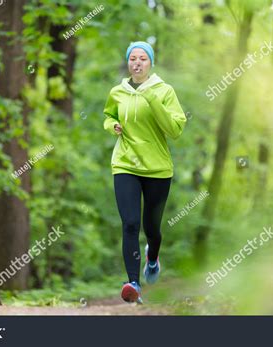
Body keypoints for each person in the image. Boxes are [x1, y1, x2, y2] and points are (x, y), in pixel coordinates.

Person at [103, 41, 187, 304]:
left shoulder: (164, 91)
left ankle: (152, 258)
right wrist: (112, 124)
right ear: (128, 63)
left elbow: (175, 130)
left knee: (152, 228)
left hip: (157, 168)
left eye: (142, 59)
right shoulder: (118, 91)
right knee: (130, 224)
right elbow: (108, 115)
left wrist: (152, 99)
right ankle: (133, 283)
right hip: (125, 164)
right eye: (132, 59)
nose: (137, 63)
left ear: (150, 64)